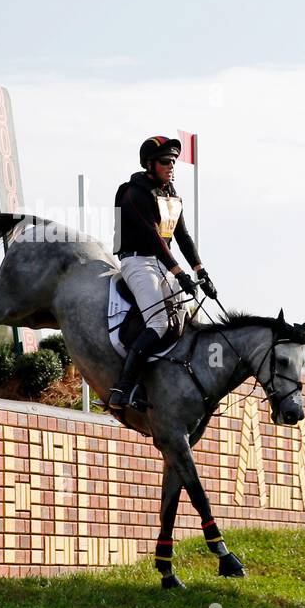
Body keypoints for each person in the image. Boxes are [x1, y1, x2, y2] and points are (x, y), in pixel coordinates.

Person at [107, 135, 217, 413]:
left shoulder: (171, 194)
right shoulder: (135, 193)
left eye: (174, 162)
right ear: (150, 164)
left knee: (182, 321)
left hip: (161, 263)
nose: (171, 166)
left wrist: (200, 271)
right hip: (138, 262)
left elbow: (182, 236)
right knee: (158, 324)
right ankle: (122, 389)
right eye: (166, 162)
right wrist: (179, 273)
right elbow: (154, 238)